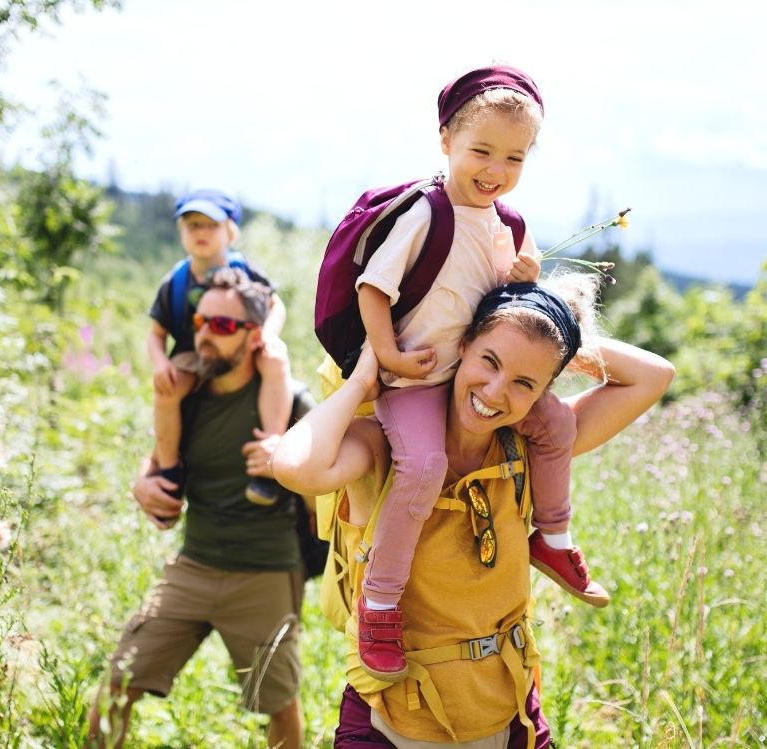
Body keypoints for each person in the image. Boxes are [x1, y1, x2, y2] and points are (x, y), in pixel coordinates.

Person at [274, 273, 675, 747]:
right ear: (460, 344)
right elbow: (294, 466)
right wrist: (361, 380)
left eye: (525, 382)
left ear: (543, 391)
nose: (495, 392)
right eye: (490, 360)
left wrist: (552, 327)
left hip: (509, 716)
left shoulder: (530, 447)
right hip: (390, 720)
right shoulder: (384, 447)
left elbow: (655, 375)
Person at [346, 63, 605, 681]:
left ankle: (554, 537)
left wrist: (523, 278)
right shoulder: (425, 213)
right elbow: (373, 289)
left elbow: (510, 307)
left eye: (514, 159)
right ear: (446, 142)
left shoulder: (507, 224)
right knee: (424, 465)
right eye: (481, 151)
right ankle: (380, 602)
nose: (496, 170)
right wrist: (387, 357)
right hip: (416, 378)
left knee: (555, 427)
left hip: (472, 375)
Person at [88, 268, 313, 749]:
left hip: (266, 572)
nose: (205, 334)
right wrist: (140, 485)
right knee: (117, 684)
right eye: (200, 321)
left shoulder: (291, 402)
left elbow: (328, 488)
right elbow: (157, 461)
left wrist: (289, 467)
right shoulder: (187, 395)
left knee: (278, 702)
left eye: (223, 326)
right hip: (193, 565)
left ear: (255, 337)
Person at [148, 189, 292, 506]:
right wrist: (160, 363)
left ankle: (268, 454)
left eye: (210, 225)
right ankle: (170, 470)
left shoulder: (246, 271)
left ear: (230, 232)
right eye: (192, 225)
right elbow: (156, 333)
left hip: (241, 346)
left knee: (275, 362)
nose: (201, 233)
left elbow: (275, 305)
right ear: (181, 232)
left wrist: (268, 335)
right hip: (192, 352)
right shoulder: (175, 281)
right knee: (167, 391)